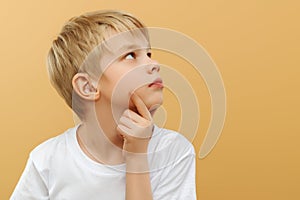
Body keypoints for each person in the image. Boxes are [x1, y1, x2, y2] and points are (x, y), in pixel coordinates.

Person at [10, 10, 197, 200]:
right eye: (131, 56)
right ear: (89, 86)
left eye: (148, 53)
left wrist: (136, 157)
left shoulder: (174, 151)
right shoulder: (46, 160)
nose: (153, 63)